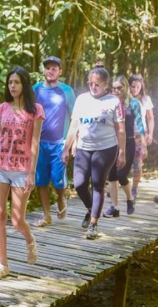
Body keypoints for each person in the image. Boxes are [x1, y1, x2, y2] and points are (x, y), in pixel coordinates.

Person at [0, 66, 44, 280]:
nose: (13, 86)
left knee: (17, 220)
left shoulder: (35, 110)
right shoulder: (3, 108)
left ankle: (29, 239)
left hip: (22, 169)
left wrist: (31, 173)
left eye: (17, 82)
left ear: (25, 84)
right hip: (0, 167)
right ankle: (3, 264)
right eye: (10, 82)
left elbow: (35, 142)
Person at [62, 67, 126, 239]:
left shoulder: (113, 101)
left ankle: (93, 224)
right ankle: (91, 210)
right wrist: (66, 148)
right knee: (80, 184)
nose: (93, 86)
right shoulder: (82, 99)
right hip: (83, 146)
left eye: (97, 84)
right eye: (90, 83)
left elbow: (120, 129)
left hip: (106, 148)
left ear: (105, 84)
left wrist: (122, 152)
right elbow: (74, 125)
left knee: (97, 183)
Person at [32, 56, 76, 227]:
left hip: (59, 143)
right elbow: (29, 114)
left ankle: (60, 198)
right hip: (40, 143)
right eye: (47, 68)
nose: (50, 71)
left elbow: (75, 117)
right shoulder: (35, 89)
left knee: (58, 179)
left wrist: (74, 143)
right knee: (41, 181)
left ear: (60, 71)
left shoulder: (66, 91)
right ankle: (46, 216)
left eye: (54, 68)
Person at [103, 76, 144, 218]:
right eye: (114, 88)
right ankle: (113, 207)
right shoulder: (110, 102)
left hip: (129, 142)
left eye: (120, 88)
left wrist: (143, 144)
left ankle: (130, 199)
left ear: (126, 87)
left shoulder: (134, 103)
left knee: (121, 174)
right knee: (112, 175)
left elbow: (139, 123)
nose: (117, 91)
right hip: (112, 142)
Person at [128, 74, 154, 200]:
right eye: (133, 86)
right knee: (119, 162)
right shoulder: (123, 99)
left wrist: (150, 134)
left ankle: (134, 188)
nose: (135, 89)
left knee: (137, 163)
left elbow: (150, 118)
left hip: (139, 135)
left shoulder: (145, 99)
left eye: (138, 87)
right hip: (125, 136)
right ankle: (115, 185)